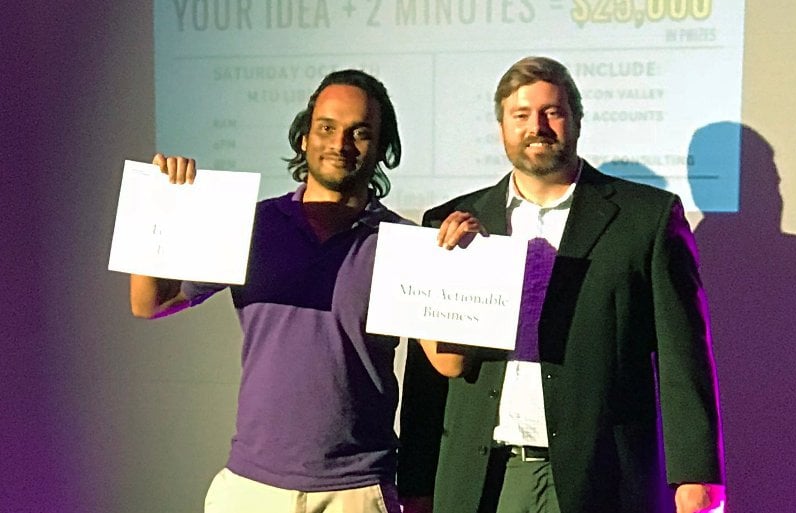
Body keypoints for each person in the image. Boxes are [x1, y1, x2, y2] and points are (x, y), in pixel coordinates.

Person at [398, 56, 726, 513]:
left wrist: (696, 474)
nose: (538, 126)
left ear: (576, 120)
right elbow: (426, 379)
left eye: (552, 112)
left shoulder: (645, 218)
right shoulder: (451, 223)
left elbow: (682, 356)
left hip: (602, 477)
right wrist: (415, 479)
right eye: (521, 115)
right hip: (485, 477)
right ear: (502, 127)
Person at [131, 69, 443, 513]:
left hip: (356, 490)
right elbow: (150, 302)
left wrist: (459, 256)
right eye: (327, 128)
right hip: (251, 487)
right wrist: (159, 207)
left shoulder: (403, 243)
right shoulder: (252, 225)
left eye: (360, 132)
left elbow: (447, 360)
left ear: (381, 149)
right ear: (304, 138)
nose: (340, 143)